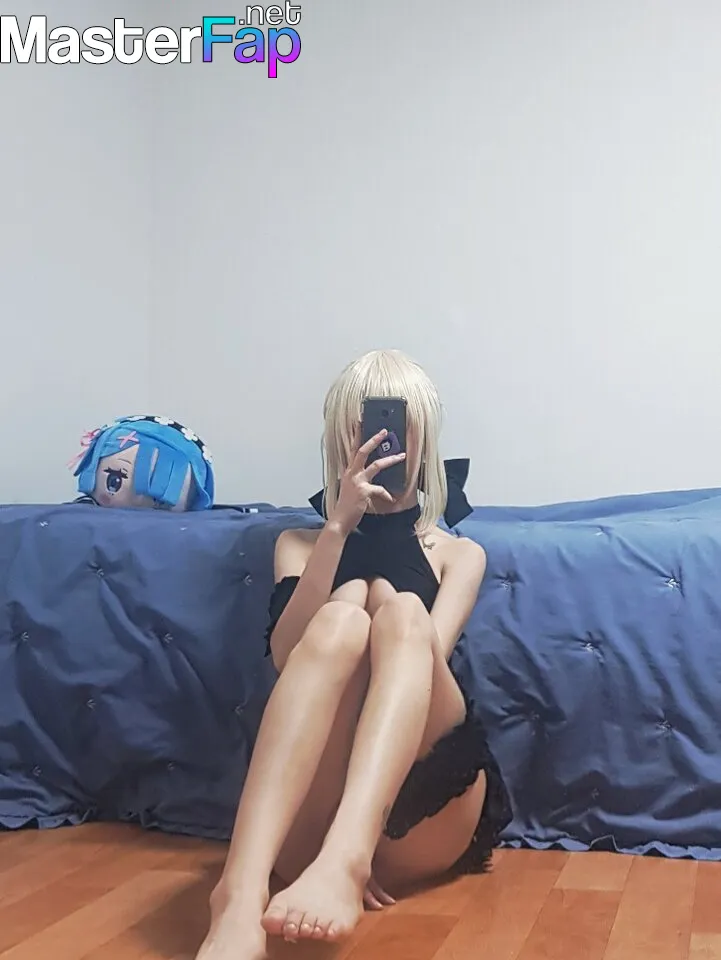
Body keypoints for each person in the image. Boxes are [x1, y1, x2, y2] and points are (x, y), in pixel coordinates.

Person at [196, 350, 511, 960]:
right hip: (308, 818)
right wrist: (338, 530)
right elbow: (285, 656)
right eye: (367, 427)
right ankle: (238, 892)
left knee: (399, 610)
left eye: (402, 428)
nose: (387, 443)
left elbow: (427, 665)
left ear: (426, 439)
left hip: (424, 805)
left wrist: (387, 596)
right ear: (342, 436)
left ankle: (347, 859)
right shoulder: (299, 543)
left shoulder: (458, 555)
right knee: (342, 613)